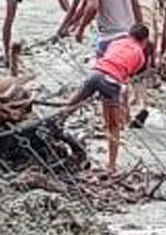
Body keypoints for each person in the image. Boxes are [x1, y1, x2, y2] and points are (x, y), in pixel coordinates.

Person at [57, 24, 151, 175]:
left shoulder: (116, 42)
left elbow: (106, 59)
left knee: (68, 108)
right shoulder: (140, 55)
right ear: (144, 41)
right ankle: (112, 165)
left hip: (94, 74)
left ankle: (54, 126)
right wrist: (125, 110)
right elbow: (125, 79)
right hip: (111, 82)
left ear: (129, 35)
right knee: (113, 126)